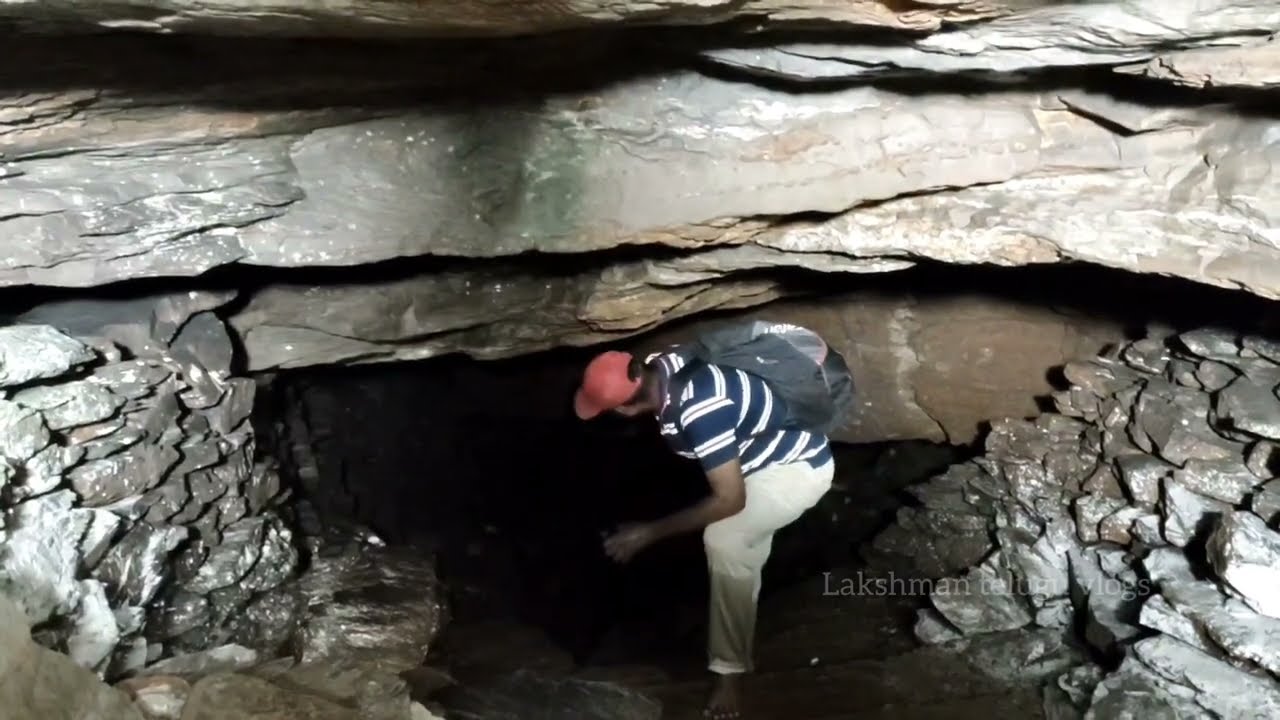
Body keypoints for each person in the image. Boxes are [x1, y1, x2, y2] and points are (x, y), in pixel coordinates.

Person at [573, 347, 835, 719]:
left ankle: (729, 677)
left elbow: (729, 500)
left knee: (724, 539)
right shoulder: (667, 361)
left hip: (794, 469)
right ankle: (740, 616)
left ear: (624, 409)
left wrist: (646, 533)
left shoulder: (699, 411)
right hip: (765, 454)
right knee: (741, 556)